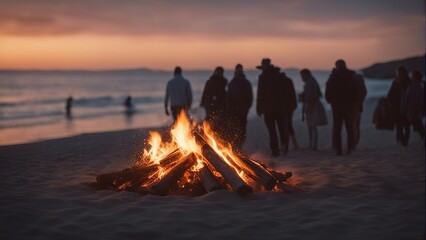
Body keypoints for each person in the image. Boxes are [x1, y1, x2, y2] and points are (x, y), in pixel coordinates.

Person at [325, 59, 358, 155]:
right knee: (349, 127)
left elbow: (328, 90)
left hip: (336, 106)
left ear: (336, 66)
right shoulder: (351, 76)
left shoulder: (333, 77)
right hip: (348, 105)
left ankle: (339, 149)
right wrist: (354, 102)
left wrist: (329, 100)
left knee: (337, 128)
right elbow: (355, 90)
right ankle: (349, 148)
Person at [256, 58, 288, 157]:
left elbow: (260, 94)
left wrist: (259, 108)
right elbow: (286, 92)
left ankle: (276, 150)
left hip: (270, 109)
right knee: (280, 129)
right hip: (279, 108)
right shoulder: (278, 75)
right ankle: (283, 148)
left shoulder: (263, 77)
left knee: (273, 131)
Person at [226, 64, 253, 151]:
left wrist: (247, 107)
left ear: (242, 70)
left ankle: (240, 146)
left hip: (243, 110)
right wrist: (230, 108)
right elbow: (228, 97)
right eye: (237, 69)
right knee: (234, 128)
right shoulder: (232, 83)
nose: (238, 71)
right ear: (235, 70)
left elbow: (250, 96)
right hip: (233, 111)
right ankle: (235, 146)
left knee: (242, 129)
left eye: (240, 69)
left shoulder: (246, 82)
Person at [300, 69, 328, 151]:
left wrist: (304, 97)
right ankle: (312, 144)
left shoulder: (310, 82)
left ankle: (313, 145)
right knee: (311, 125)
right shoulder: (311, 81)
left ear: (306, 75)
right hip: (312, 105)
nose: (301, 78)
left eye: (302, 76)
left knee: (312, 125)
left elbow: (312, 95)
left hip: (312, 106)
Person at [387, 67, 411, 146]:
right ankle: (405, 141)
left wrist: (391, 103)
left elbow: (389, 95)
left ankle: (403, 141)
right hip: (405, 107)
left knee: (400, 126)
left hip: (398, 108)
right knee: (406, 126)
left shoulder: (396, 82)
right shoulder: (409, 81)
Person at [200, 66, 228, 134]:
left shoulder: (224, 82)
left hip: (220, 105)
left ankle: (215, 135)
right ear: (215, 72)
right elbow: (205, 92)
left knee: (219, 121)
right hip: (210, 104)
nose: (219, 73)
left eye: (221, 72)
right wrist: (203, 102)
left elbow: (226, 93)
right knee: (210, 120)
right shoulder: (210, 81)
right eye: (218, 72)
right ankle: (208, 133)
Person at [281, 71, 299, 150]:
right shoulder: (289, 81)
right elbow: (293, 94)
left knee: (286, 125)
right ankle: (294, 144)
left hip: (285, 107)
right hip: (290, 106)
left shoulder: (281, 82)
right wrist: (294, 105)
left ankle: (287, 145)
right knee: (289, 124)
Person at [405, 70, 424, 140]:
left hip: (416, 110)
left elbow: (418, 100)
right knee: (417, 126)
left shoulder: (417, 86)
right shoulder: (415, 85)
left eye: (412, 75)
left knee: (418, 126)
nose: (411, 77)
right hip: (415, 110)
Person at [352, 73, 367, 151]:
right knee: (356, 125)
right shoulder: (360, 81)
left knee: (353, 125)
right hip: (358, 105)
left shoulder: (351, 81)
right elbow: (364, 93)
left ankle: (353, 143)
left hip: (353, 105)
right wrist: (360, 101)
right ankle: (354, 144)